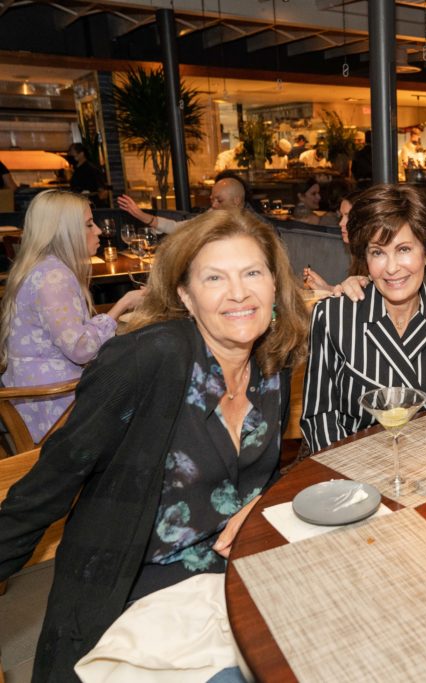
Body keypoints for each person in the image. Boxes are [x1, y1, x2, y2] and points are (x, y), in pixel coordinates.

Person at [0, 208, 308, 680]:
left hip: (239, 576)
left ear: (273, 285)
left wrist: (263, 502)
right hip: (144, 585)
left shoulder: (272, 363)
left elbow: (262, 476)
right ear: (185, 295)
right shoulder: (149, 358)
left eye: (252, 273)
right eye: (214, 278)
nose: (239, 293)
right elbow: (49, 482)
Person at [301, 184, 426, 452]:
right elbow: (319, 416)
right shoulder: (334, 316)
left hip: (425, 466)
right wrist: (347, 480)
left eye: (404, 249)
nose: (391, 268)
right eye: (378, 252)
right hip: (353, 471)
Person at [0, 190, 143, 442]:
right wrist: (123, 304)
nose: (98, 230)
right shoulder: (53, 277)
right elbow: (81, 349)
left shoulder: (44, 267)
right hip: (55, 410)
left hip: (35, 398)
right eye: (89, 224)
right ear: (64, 232)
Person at [117, 175, 248, 235]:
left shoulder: (249, 225)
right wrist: (141, 215)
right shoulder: (212, 214)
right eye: (211, 199)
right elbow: (178, 228)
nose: (213, 205)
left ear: (236, 200)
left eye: (219, 201)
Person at [303, 194, 357, 291]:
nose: (341, 223)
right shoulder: (357, 253)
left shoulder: (371, 256)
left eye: (348, 216)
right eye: (341, 216)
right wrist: (326, 288)